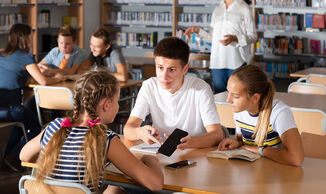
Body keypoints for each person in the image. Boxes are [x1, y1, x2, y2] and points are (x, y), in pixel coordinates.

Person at [20, 69, 163, 193]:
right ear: (107, 105)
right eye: (117, 101)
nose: (118, 106)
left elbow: (24, 156)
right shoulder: (104, 139)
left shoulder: (55, 126)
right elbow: (155, 184)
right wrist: (150, 160)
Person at [124, 37, 224, 149]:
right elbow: (128, 130)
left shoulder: (201, 88)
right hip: (160, 153)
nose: (164, 76)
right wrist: (140, 133)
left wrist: (190, 143)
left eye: (172, 70)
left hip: (194, 152)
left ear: (185, 69)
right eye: (160, 68)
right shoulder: (149, 86)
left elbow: (217, 134)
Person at [0, 23, 62, 171]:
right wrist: (58, 77)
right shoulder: (25, 57)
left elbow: (11, 74)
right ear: (26, 38)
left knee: (22, 122)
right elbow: (43, 81)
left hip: (3, 110)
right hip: (12, 110)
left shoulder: (2, 54)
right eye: (31, 37)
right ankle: (16, 154)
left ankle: (7, 155)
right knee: (40, 126)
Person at [184, 0, 257, 94]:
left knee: (238, 97)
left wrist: (235, 38)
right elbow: (212, 38)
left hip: (236, 62)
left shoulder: (244, 9)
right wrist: (198, 31)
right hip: (218, 63)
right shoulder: (217, 10)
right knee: (219, 99)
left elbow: (253, 37)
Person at [217, 65, 304, 166]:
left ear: (255, 98)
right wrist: (237, 143)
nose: (228, 100)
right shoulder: (240, 111)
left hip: (277, 173)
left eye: (236, 96)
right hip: (252, 170)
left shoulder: (279, 113)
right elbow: (244, 144)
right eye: (228, 92)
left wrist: (260, 151)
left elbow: (296, 158)